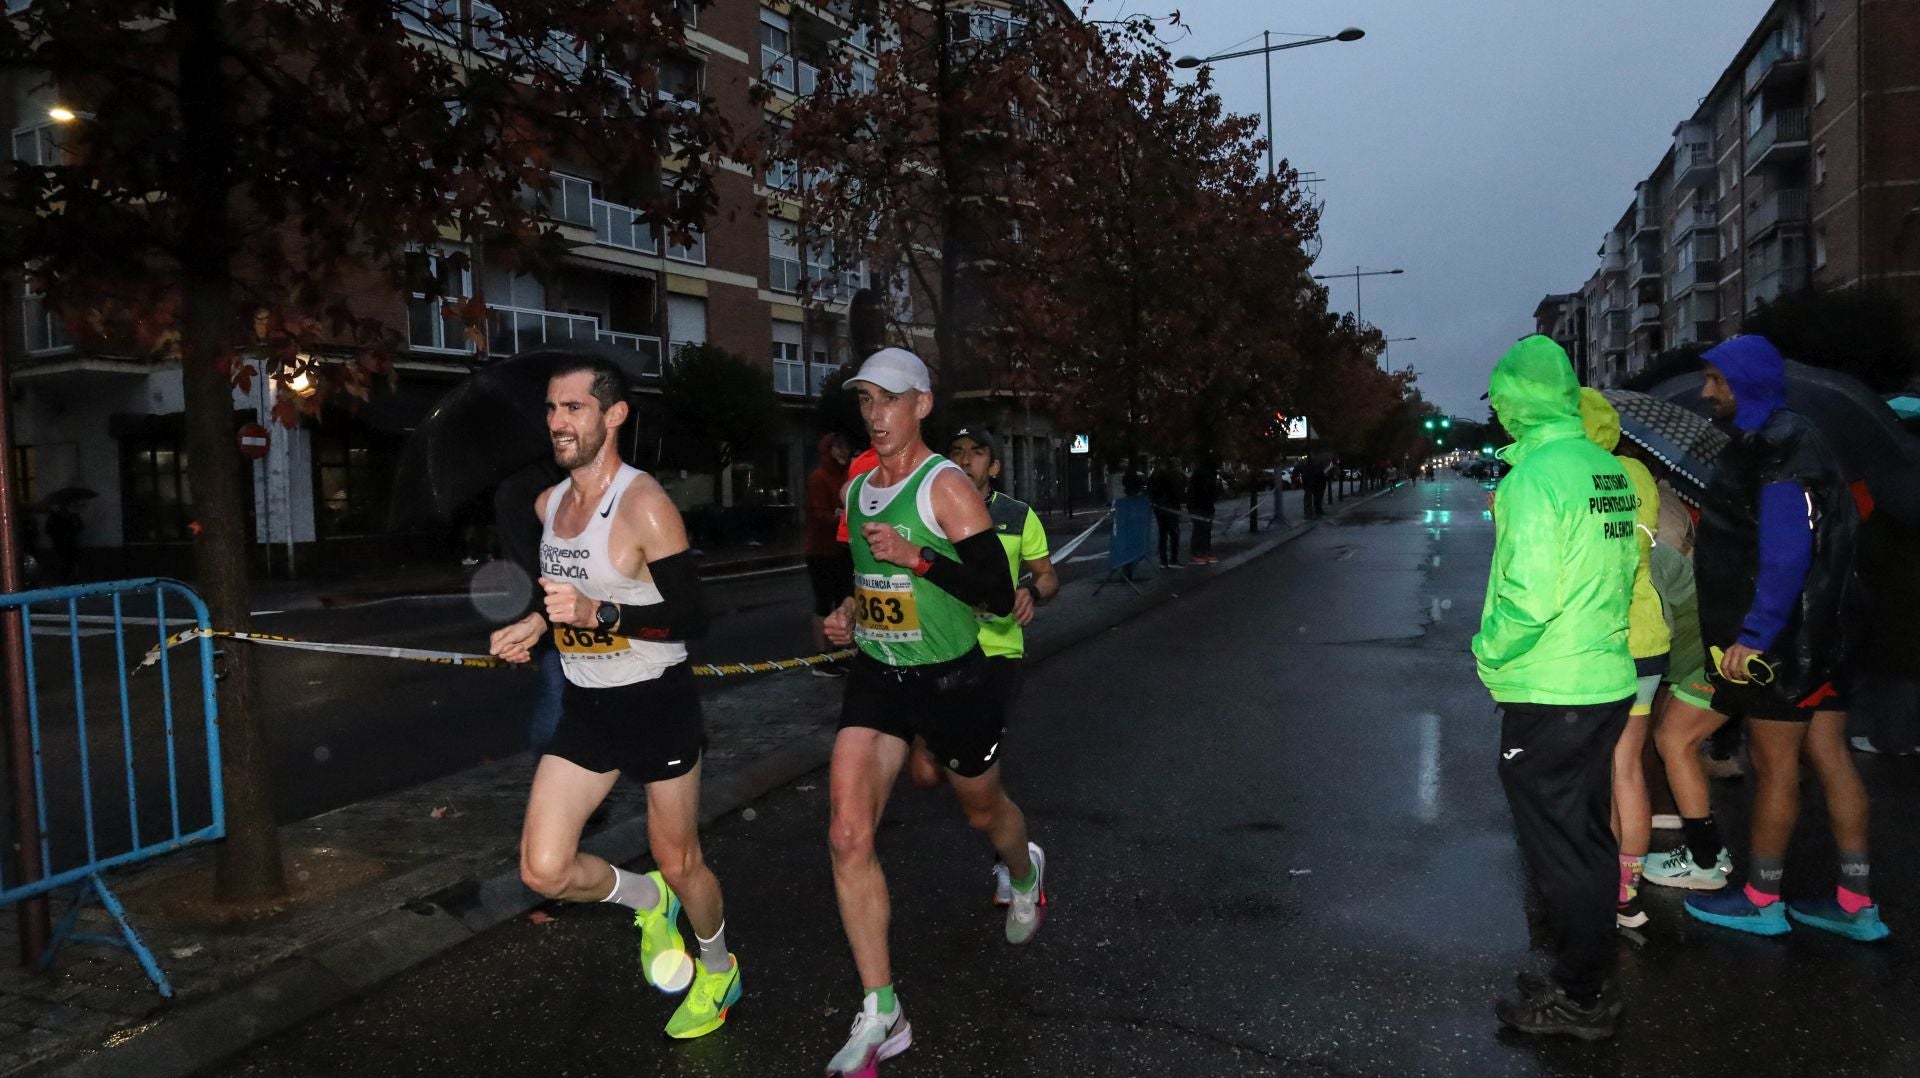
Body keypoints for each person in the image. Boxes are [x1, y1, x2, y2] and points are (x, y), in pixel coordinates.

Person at [486, 354, 740, 1039]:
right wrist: (536, 626)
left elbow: (691, 616)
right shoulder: (548, 505)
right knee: (543, 869)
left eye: (574, 408)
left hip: (656, 703)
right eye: (551, 409)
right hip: (588, 706)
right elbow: (563, 603)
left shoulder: (643, 504)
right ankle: (644, 899)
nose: (558, 422)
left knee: (680, 859)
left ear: (614, 415)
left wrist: (597, 613)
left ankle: (719, 969)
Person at [819, 348, 1041, 1076]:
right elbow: (868, 580)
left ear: (920, 405)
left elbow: (995, 591)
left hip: (953, 681)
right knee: (847, 835)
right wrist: (850, 612)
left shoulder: (946, 487)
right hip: (879, 678)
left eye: (888, 399)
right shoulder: (858, 488)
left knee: (984, 812)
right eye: (865, 401)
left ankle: (1024, 870)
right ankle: (883, 1008)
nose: (874, 414)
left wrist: (918, 557)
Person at [1682, 335, 1887, 941]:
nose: (1707, 391)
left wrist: (1754, 634)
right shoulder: (1803, 439)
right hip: (1827, 631)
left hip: (1788, 642)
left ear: (1745, 383)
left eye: (1717, 380)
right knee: (1831, 756)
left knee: (1772, 765)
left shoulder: (1775, 448)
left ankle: (1762, 897)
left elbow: (1786, 553)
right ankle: (1856, 902)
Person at [1472, 336, 1638, 1040]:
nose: (1499, 411)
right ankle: (1584, 974)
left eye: (1502, 398)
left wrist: (1487, 650)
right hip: (1601, 678)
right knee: (1587, 836)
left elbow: (1529, 598)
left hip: (1552, 685)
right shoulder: (1604, 467)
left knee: (1560, 849)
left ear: (1518, 398)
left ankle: (1580, 997)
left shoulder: (1535, 479)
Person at [905, 426, 1059, 906]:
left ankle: (1011, 862)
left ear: (993, 465)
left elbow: (1048, 576)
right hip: (939, 652)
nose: (965, 460)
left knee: (984, 767)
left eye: (976, 453)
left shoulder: (1016, 515)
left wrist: (1031, 592)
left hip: (997, 653)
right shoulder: (930, 513)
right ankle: (1005, 831)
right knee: (925, 773)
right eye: (957, 452)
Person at [1577, 390, 1670, 929]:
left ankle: (1599, 887)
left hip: (1605, 639)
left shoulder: (1577, 475)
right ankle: (1626, 891)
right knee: (1628, 768)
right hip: (1648, 636)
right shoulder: (1636, 474)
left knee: (1596, 771)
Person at [1641, 480, 1737, 891]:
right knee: (1676, 740)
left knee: (1674, 740)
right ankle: (1709, 854)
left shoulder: (1650, 551)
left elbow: (1658, 624)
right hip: (1713, 647)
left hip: (1713, 652)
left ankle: (1705, 861)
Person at [494, 459, 568, 752]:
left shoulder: (510, 488)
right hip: (555, 607)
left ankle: (552, 767)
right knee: (558, 695)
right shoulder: (547, 489)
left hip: (537, 606)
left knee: (557, 693)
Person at [806, 432, 855, 678]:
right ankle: (821, 659)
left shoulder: (848, 475)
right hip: (821, 551)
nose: (843, 452)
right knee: (823, 603)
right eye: (837, 447)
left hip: (843, 550)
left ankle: (839, 653)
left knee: (844, 600)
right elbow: (820, 514)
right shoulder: (818, 477)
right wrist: (844, 515)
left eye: (845, 447)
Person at [1146, 458, 1184, 568]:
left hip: (1159, 509)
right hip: (1170, 508)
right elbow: (1176, 492)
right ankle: (1173, 560)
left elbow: (1150, 492)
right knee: (1174, 534)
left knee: (1162, 534)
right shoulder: (1171, 476)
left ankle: (1163, 561)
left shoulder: (1154, 477)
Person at [1187, 456, 1218, 564]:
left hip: (1202, 505)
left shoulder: (1202, 473)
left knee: (1203, 530)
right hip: (1200, 506)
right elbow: (1203, 491)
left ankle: (1203, 551)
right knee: (1201, 529)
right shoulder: (1203, 474)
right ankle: (1199, 552)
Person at [46, 503, 82, 582]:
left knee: (70, 561)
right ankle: (64, 578)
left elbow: (80, 527)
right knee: (63, 562)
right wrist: (58, 536)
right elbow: (49, 530)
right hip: (60, 544)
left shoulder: (72, 517)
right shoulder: (54, 517)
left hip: (69, 544)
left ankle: (69, 578)